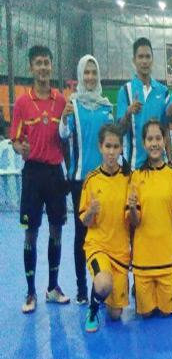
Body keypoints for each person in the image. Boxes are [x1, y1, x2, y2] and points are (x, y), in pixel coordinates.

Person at [10, 45, 69, 313]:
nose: (43, 67)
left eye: (47, 62)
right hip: (33, 173)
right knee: (31, 232)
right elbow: (15, 140)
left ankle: (53, 288)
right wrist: (19, 147)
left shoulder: (62, 101)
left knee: (57, 229)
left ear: (51, 66)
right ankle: (31, 292)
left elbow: (66, 136)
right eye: (38, 63)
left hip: (55, 173)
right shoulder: (22, 103)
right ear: (31, 68)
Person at [59, 54, 114, 304]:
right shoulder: (73, 105)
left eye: (93, 72)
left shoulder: (106, 107)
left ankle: (100, 285)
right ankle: (82, 287)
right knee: (81, 234)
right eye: (86, 73)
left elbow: (113, 142)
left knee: (103, 232)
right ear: (81, 76)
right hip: (80, 181)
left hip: (104, 180)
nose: (90, 77)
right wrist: (63, 117)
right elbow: (63, 134)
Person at [128, 119, 172, 316]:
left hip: (167, 261)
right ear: (144, 143)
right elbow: (134, 222)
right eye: (150, 139)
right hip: (143, 263)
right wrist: (132, 208)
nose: (154, 143)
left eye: (158, 138)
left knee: (168, 314)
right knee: (145, 315)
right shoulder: (136, 177)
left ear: (165, 141)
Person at [80, 124, 130, 333]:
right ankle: (92, 310)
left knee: (115, 315)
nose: (111, 151)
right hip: (98, 246)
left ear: (121, 148)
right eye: (108, 146)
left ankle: (104, 294)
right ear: (100, 147)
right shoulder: (91, 180)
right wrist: (91, 211)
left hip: (120, 252)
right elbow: (85, 221)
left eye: (115, 147)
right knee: (103, 284)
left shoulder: (128, 179)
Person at [117, 37, 172, 169]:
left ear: (152, 59)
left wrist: (170, 159)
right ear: (134, 60)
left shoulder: (163, 91)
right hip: (133, 166)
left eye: (148, 57)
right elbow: (119, 130)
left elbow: (166, 129)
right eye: (140, 57)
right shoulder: (125, 91)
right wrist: (128, 112)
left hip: (158, 166)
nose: (144, 61)